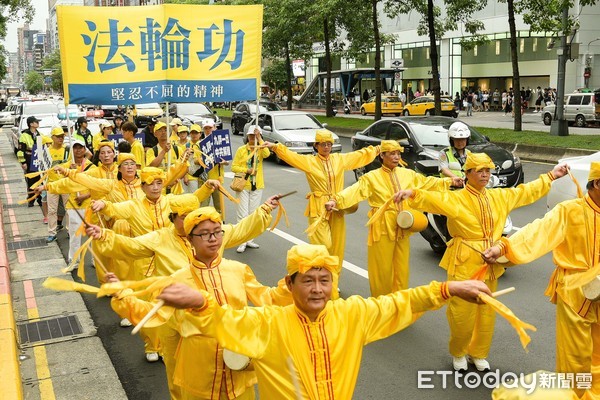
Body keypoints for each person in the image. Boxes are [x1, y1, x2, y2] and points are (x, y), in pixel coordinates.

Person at [154, 243, 491, 399]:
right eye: (308, 280)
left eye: (324, 280)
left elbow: (398, 303)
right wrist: (199, 302)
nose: (317, 289)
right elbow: (224, 320)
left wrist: (449, 288)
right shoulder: (268, 323)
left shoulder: (352, 314)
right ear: (289, 284)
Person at [393, 153, 568, 372]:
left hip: (491, 262)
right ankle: (458, 352)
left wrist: (551, 176)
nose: (485, 174)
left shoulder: (498, 197)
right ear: (467, 174)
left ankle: (478, 353)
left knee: (486, 311)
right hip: (464, 261)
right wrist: (412, 194)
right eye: (479, 170)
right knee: (462, 313)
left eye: (488, 170)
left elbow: (525, 192)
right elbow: (433, 199)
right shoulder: (457, 198)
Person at [108, 207, 294, 400]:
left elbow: (267, 298)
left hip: (238, 360)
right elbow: (153, 312)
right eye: (204, 234)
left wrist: (295, 283)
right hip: (199, 369)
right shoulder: (177, 280)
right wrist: (124, 297)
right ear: (190, 240)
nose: (213, 238)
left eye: (217, 232)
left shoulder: (238, 270)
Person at [483, 162, 600, 399]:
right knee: (575, 362)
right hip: (576, 293)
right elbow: (537, 232)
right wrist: (503, 247)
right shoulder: (569, 211)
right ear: (597, 183)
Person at [324, 140, 461, 296]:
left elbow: (427, 182)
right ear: (382, 155)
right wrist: (335, 200)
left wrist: (449, 181)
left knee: (401, 268)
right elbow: (354, 191)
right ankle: (382, 305)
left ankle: (399, 304)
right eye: (392, 154)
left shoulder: (407, 174)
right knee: (381, 269)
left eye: (398, 154)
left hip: (403, 225)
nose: (396, 157)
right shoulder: (371, 177)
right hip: (382, 227)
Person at [265, 130, 380, 295]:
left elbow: (359, 156)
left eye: (329, 144)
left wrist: (376, 150)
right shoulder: (309, 162)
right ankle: (320, 279)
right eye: (323, 144)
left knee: (338, 248)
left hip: (336, 205)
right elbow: (291, 156)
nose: (326, 147)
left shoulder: (339, 159)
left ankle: (333, 281)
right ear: (316, 146)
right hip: (318, 207)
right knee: (323, 246)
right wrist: (276, 147)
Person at [45, 140, 95, 264]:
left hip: (89, 205)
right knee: (74, 236)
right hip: (73, 205)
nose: (78, 150)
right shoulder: (66, 166)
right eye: (75, 148)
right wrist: (69, 173)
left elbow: (96, 187)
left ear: (85, 149)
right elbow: (63, 185)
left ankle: (95, 261)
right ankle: (74, 261)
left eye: (81, 147)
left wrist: (84, 196)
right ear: (72, 150)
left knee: (93, 236)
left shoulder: (92, 167)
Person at [231, 125, 270, 253]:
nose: (252, 138)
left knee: (253, 214)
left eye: (255, 136)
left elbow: (267, 153)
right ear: (247, 136)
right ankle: (241, 240)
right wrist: (246, 170)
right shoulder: (241, 150)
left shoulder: (260, 149)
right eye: (251, 136)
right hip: (243, 185)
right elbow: (234, 167)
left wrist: (260, 138)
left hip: (257, 185)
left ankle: (250, 240)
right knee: (242, 214)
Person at [45, 127, 71, 243]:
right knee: (52, 211)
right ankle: (52, 233)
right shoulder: (46, 152)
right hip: (52, 185)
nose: (61, 138)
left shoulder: (68, 150)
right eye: (58, 136)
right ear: (52, 138)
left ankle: (70, 231)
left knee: (69, 209)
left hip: (65, 184)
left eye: (62, 136)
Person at [202, 119, 228, 216]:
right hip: (204, 179)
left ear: (215, 128)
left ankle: (220, 225)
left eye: (210, 128)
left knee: (219, 206)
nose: (208, 130)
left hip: (218, 179)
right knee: (203, 206)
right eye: (206, 128)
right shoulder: (201, 143)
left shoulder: (220, 141)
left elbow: (227, 161)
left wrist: (224, 162)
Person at [17, 115, 43, 208]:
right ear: (31, 124)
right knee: (31, 181)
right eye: (36, 122)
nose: (38, 123)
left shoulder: (39, 134)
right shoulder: (24, 135)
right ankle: (31, 199)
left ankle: (40, 199)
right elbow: (20, 151)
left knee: (40, 180)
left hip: (39, 160)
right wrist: (23, 162)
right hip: (29, 159)